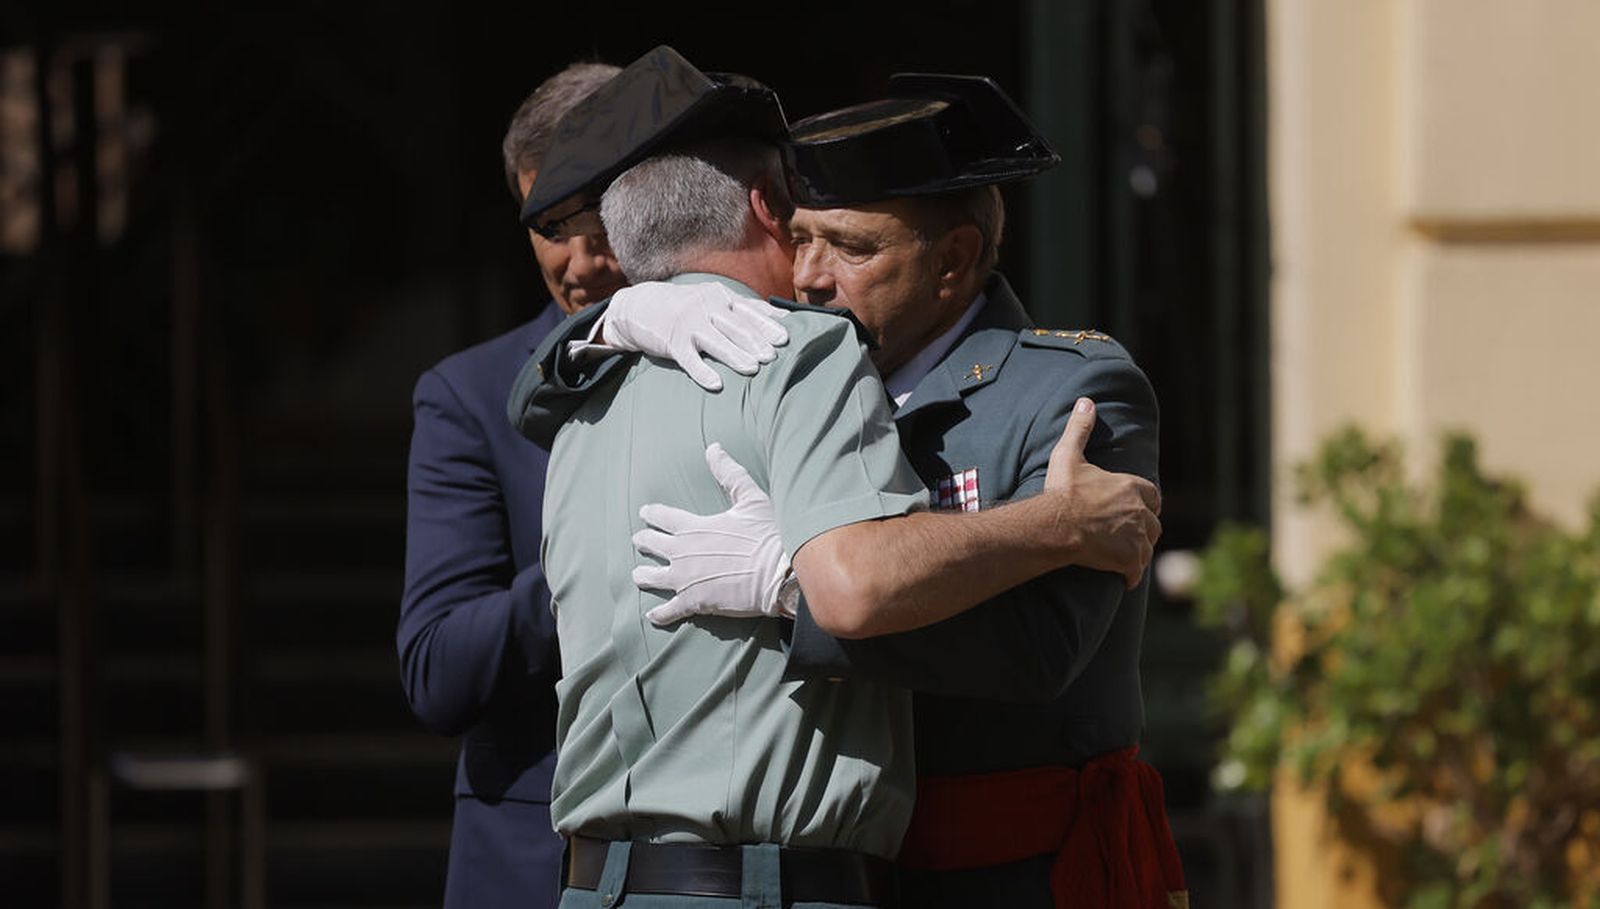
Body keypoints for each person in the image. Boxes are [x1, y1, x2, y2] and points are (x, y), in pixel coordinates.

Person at [514, 73, 1185, 909]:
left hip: (1002, 874)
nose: (810, 276)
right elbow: (535, 398)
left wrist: (804, 592)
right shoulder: (779, 364)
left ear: (953, 262)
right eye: (798, 238)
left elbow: (1038, 648)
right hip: (837, 865)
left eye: (854, 248)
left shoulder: (1070, 391)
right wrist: (615, 320)